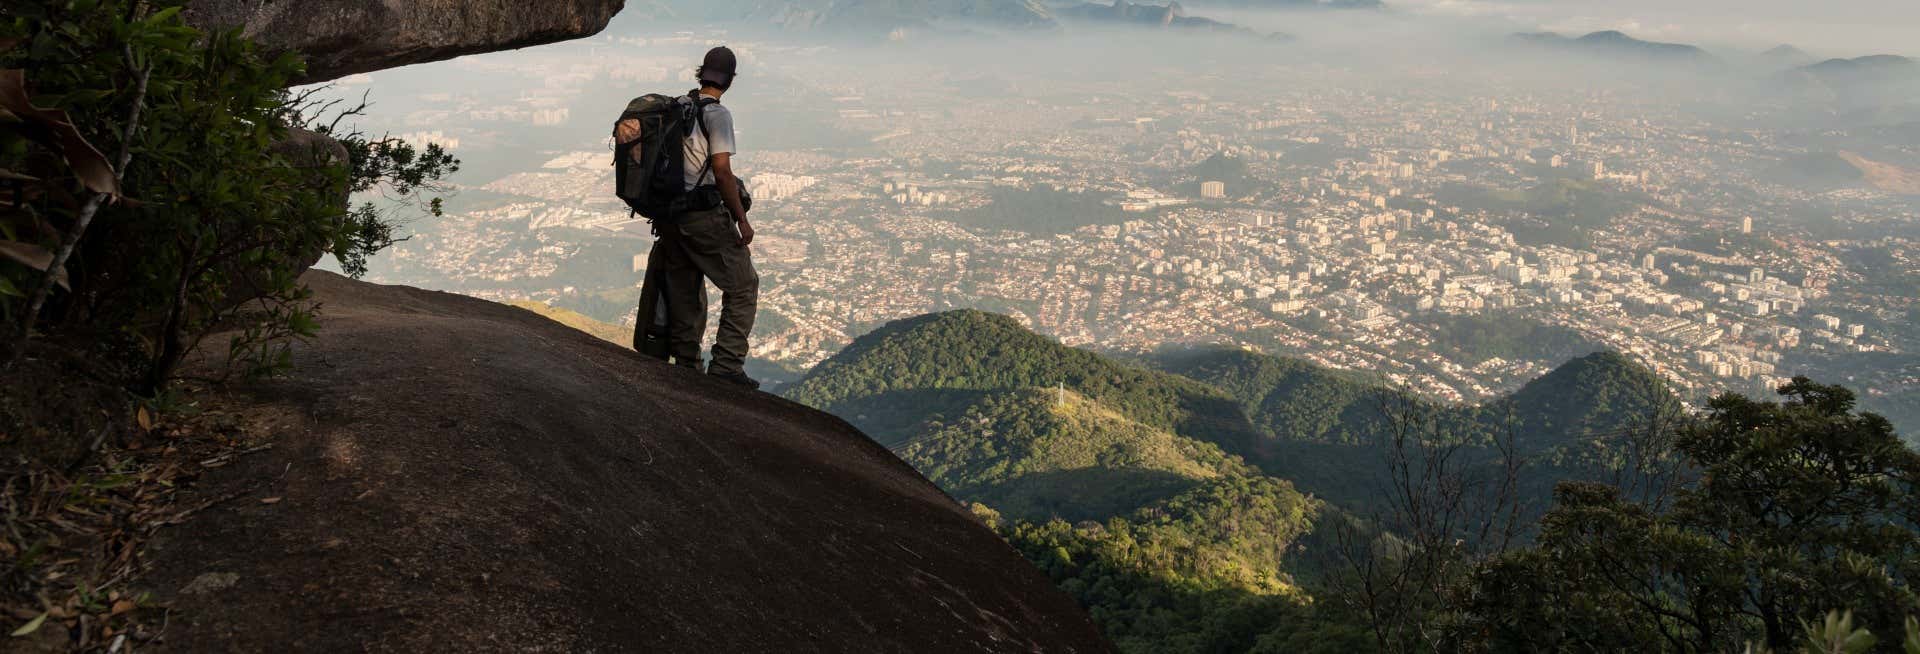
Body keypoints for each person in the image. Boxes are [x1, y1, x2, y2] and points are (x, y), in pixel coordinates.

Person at [617, 46, 761, 389]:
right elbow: (722, 172)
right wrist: (741, 219)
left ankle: (686, 364)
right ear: (730, 80)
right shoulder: (717, 115)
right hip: (702, 217)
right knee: (743, 286)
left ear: (701, 73)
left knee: (685, 290)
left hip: (669, 218)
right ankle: (726, 364)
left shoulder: (676, 107)